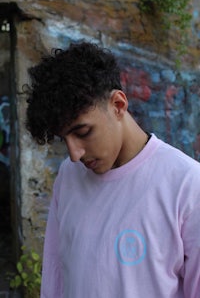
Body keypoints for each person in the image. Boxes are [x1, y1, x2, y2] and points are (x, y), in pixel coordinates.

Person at [26, 41, 200, 298]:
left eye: (83, 132)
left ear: (118, 105)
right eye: (64, 139)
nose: (74, 154)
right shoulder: (68, 175)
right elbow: (55, 276)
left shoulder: (187, 184)